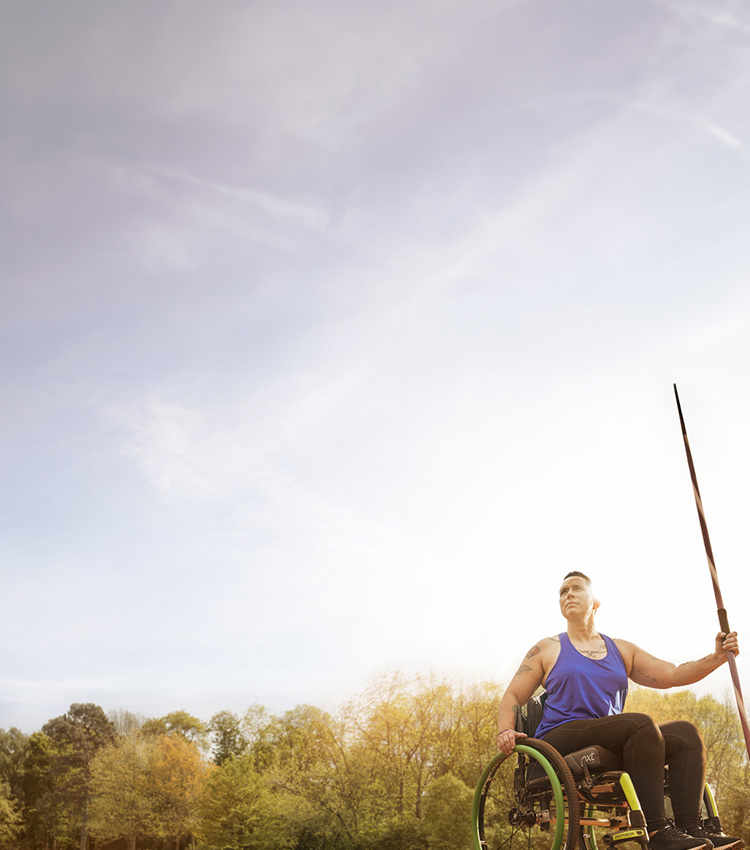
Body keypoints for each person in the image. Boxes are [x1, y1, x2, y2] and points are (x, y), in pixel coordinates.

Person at [496, 571, 742, 850]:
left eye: (576, 589)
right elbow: (513, 696)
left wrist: (717, 657)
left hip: (609, 737)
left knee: (685, 735)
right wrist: (506, 730)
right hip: (558, 738)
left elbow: (672, 674)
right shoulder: (547, 648)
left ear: (595, 602)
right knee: (639, 725)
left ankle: (693, 828)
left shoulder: (621, 650)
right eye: (563, 592)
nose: (568, 595)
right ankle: (659, 832)